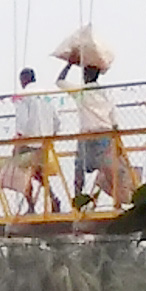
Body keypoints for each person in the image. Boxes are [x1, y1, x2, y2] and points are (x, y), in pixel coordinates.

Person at [72, 65, 131, 207]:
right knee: (109, 169)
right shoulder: (105, 93)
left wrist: (69, 64)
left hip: (87, 134)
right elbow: (114, 119)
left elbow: (60, 82)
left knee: (79, 168)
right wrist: (118, 140)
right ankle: (117, 203)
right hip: (105, 134)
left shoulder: (80, 92)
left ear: (85, 75)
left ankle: (78, 201)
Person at [10, 69, 66, 214]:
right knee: (39, 173)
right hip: (44, 142)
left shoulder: (23, 96)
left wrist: (18, 138)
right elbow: (57, 121)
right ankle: (53, 198)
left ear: (24, 79)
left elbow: (22, 120)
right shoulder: (46, 96)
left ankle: (31, 206)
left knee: (23, 173)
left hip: (29, 140)